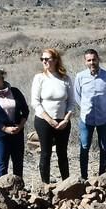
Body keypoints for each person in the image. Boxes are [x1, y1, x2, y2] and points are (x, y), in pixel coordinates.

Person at [31, 48, 75, 184]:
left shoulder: (65, 78)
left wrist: (66, 119)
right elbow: (35, 102)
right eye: (42, 59)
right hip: (44, 121)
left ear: (55, 60)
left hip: (63, 121)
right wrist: (49, 120)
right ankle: (45, 185)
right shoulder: (39, 78)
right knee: (46, 153)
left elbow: (71, 102)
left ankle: (66, 184)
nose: (44, 61)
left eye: (47, 59)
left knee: (62, 153)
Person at [73, 49, 106, 180]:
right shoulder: (80, 77)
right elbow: (77, 96)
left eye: (94, 59)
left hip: (103, 118)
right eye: (89, 60)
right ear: (85, 62)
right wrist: (85, 108)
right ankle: (84, 177)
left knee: (104, 147)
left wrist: (105, 109)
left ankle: (102, 176)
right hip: (86, 119)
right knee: (84, 146)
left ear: (98, 59)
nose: (92, 62)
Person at [0, 67, 29, 178]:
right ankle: (3, 191)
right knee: (2, 163)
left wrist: (21, 125)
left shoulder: (15, 91)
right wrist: (5, 128)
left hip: (17, 133)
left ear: (0, 77)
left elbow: (25, 110)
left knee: (18, 162)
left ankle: (19, 189)